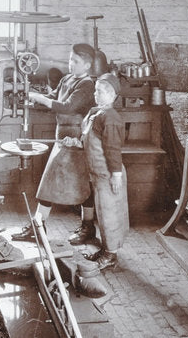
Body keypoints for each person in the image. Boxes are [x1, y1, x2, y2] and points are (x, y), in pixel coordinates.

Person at [13, 43, 97, 244]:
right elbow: (54, 97)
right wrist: (32, 98)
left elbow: (67, 108)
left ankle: (85, 227)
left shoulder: (87, 85)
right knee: (70, 184)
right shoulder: (68, 79)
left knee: (77, 186)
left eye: (75, 61)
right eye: (70, 59)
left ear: (87, 65)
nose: (70, 64)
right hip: (63, 136)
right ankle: (44, 227)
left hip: (76, 140)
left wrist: (38, 97)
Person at [64, 72, 128, 270]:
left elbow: (113, 149)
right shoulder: (95, 113)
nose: (96, 95)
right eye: (95, 91)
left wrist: (116, 175)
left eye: (100, 91)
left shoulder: (111, 117)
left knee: (111, 215)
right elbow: (89, 141)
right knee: (102, 212)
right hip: (98, 174)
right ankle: (106, 250)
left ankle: (111, 255)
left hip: (109, 174)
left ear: (112, 95)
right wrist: (75, 141)